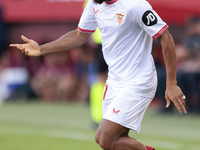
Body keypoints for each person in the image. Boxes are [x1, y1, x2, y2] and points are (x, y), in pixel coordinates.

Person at [10, 0, 187, 149]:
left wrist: (171, 83)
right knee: (117, 141)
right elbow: (79, 35)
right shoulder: (94, 5)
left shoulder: (135, 5)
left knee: (104, 139)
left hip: (138, 81)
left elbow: (166, 37)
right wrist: (41, 49)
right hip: (115, 81)